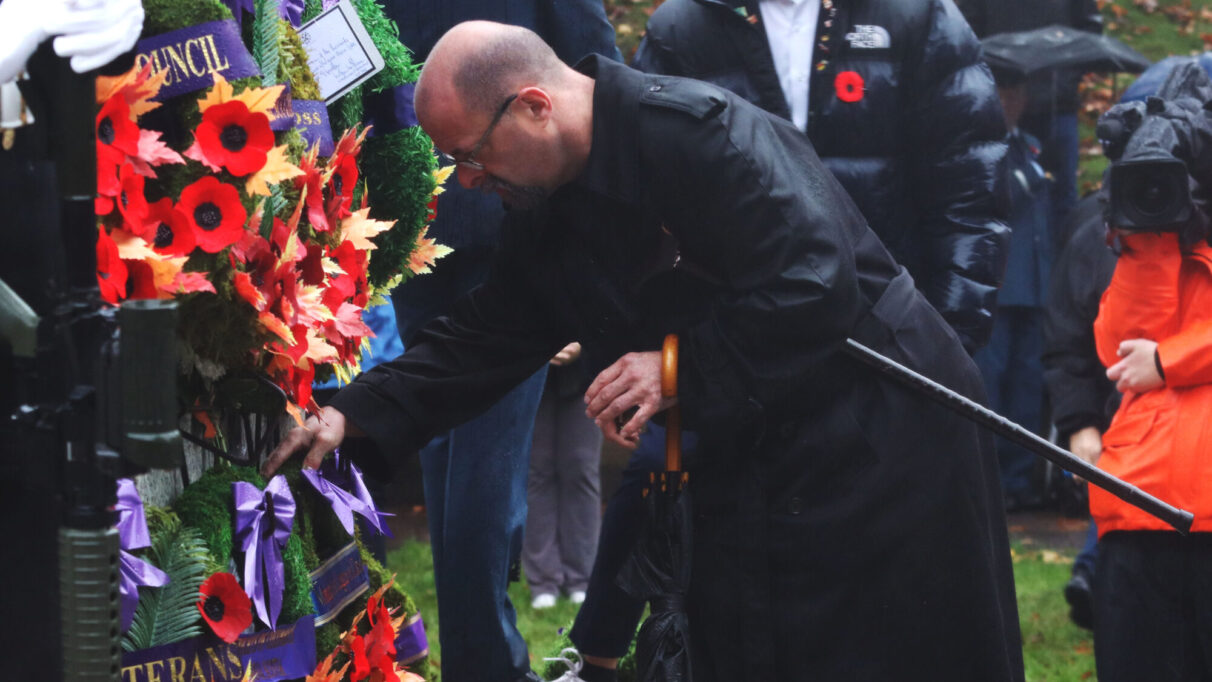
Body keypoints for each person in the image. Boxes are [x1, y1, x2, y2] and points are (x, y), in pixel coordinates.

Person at [264, 20, 1024, 681]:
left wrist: (674, 367)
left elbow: (816, 283)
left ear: (533, 105)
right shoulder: (545, 195)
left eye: (470, 155)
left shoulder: (703, 132)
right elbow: (496, 327)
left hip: (881, 425)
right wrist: (353, 416)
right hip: (761, 436)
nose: (469, 181)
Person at [571, 0, 1011, 673]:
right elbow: (641, 196)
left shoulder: (915, 17)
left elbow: (970, 191)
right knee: (685, 512)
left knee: (907, 607)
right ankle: (597, 652)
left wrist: (941, 341)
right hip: (744, 353)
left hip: (890, 359)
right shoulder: (683, 28)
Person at [375, 4, 619, 682]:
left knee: (454, 454)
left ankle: (478, 655)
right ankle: (485, 662)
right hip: (506, 206)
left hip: (413, 210)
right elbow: (595, 74)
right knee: (485, 463)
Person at [1088, 65, 1212, 680]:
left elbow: (1153, 358)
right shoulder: (1157, 237)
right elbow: (1119, 349)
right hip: (1142, 504)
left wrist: (1172, 363)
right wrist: (1154, 229)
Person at [973, 70, 1055, 510]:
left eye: (1017, 93)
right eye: (1004, 93)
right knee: (992, 386)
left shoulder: (1034, 147)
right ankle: (992, 483)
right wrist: (1030, 180)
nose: (1011, 102)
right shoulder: (983, 144)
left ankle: (1020, 480)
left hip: (1034, 287)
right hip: (1001, 286)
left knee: (1027, 389)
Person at [1041, 193, 1118, 631]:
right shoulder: (1093, 227)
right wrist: (1078, 422)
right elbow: (1066, 334)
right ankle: (1092, 569)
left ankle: (1092, 568)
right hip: (1116, 419)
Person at [956, 0, 1102, 230]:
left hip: (1057, 104)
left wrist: (1067, 76)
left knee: (1061, 195)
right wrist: (996, 79)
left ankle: (1060, 261)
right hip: (1003, 104)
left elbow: (1090, 29)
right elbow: (965, 32)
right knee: (1001, 194)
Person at [522, 342, 602, 610]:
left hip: (586, 372)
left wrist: (582, 341)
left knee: (580, 467)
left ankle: (582, 578)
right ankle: (543, 581)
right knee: (536, 470)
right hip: (527, 368)